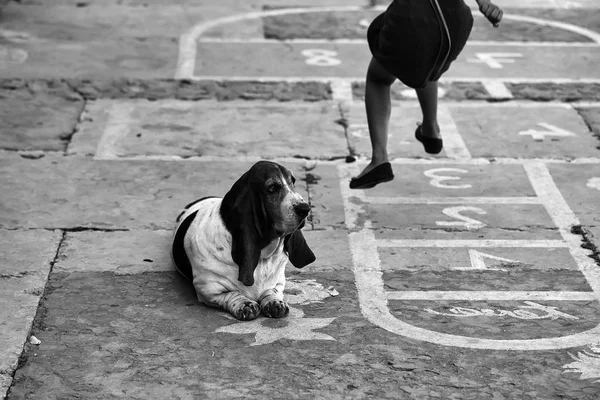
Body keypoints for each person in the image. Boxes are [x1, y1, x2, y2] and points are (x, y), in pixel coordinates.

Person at [350, 0, 503, 189]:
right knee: (427, 63)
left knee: (378, 78)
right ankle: (431, 128)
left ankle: (379, 159)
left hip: (415, 18)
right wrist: (485, 3)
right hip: (456, 23)